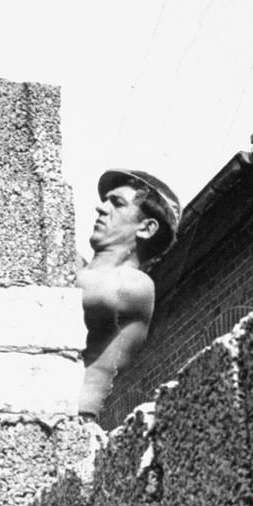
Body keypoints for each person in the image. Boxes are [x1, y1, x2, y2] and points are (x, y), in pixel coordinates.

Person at [77, 169, 181, 419]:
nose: (101, 209)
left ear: (146, 228)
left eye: (117, 203)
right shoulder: (78, 270)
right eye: (105, 200)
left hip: (71, 421)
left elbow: (71, 293)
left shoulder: (135, 285)